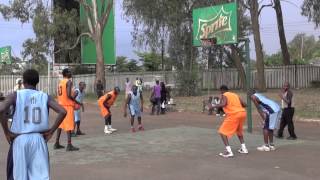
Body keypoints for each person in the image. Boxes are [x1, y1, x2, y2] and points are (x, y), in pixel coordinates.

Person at [0, 69, 67, 180]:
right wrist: (51, 131)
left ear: (24, 81)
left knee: (17, 176)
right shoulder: (45, 96)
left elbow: (1, 109)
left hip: (19, 140)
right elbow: (63, 111)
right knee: (40, 177)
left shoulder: (16, 95)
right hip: (39, 140)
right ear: (37, 82)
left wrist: (6, 132)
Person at [212, 85, 248, 158]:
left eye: (220, 91)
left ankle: (229, 152)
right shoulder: (235, 95)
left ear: (222, 90)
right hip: (242, 113)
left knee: (222, 132)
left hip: (234, 114)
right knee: (239, 131)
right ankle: (244, 149)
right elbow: (245, 104)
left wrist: (213, 106)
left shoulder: (225, 94)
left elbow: (224, 104)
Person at [54, 68, 81, 151]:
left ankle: (56, 143)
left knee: (60, 125)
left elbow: (61, 94)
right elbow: (69, 95)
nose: (71, 73)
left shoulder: (60, 83)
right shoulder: (69, 82)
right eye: (69, 72)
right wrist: (76, 100)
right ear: (65, 74)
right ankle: (69, 145)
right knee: (69, 125)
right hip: (67, 106)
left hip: (61, 105)